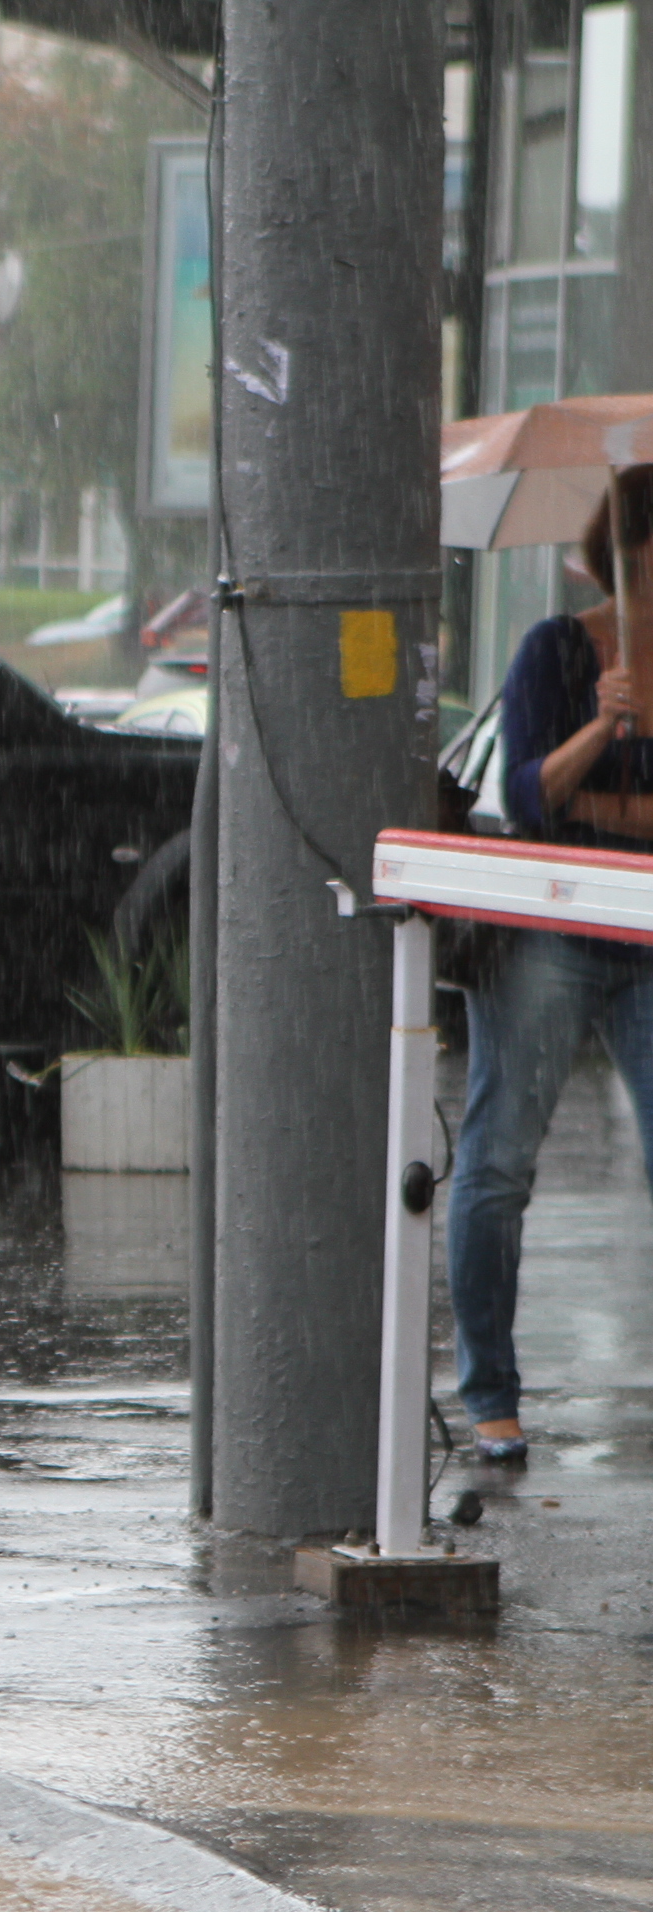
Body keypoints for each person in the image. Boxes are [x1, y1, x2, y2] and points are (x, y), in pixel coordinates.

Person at [447, 466, 653, 1466]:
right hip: (549, 930)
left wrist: (602, 811)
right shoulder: (557, 651)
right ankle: (489, 1391)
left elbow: (587, 813)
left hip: (647, 933)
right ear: (623, 559)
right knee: (501, 1160)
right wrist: (605, 727)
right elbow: (530, 797)